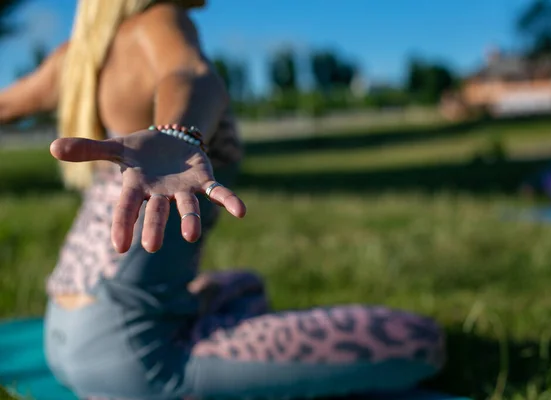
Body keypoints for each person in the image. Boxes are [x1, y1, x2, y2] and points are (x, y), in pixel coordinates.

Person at [0, 1, 444, 399]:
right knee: (420, 340)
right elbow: (191, 74)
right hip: (135, 364)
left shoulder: (79, 56)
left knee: (247, 286)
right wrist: (176, 134)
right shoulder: (160, 19)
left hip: (62, 334)